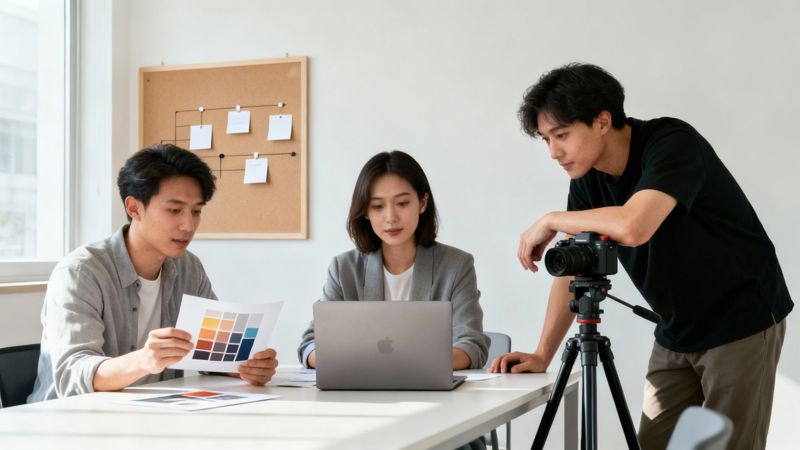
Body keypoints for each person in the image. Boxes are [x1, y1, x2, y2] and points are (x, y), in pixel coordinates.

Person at [490, 63, 793, 450]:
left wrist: (551, 220)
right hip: (675, 328)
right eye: (546, 139)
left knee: (729, 446)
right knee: (653, 443)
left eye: (561, 135)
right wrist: (542, 353)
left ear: (602, 121)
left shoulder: (671, 142)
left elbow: (635, 224)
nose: (553, 152)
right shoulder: (586, 180)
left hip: (740, 318)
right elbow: (575, 266)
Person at [29, 144, 278, 402]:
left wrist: (244, 367)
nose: (189, 225)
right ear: (134, 208)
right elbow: (73, 374)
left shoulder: (189, 268)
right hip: (70, 421)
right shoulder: (80, 272)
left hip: (151, 412)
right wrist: (144, 360)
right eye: (174, 210)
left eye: (196, 211)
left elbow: (212, 356)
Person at [298, 150, 490, 371]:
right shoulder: (344, 269)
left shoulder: (456, 265)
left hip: (431, 392)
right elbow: (311, 343)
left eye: (402, 203)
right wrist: (344, 362)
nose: (391, 217)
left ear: (422, 202)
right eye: (378, 206)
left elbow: (472, 345)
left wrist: (405, 366)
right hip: (360, 391)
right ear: (366, 212)